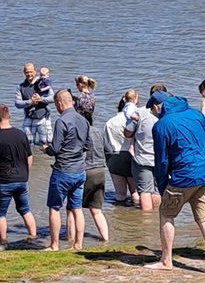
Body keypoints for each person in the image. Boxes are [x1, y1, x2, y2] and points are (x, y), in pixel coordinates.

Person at [147, 92, 205, 274]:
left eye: (152, 109)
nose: (153, 113)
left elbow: (162, 161)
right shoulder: (196, 114)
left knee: (166, 213)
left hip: (184, 176)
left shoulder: (161, 125)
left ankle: (166, 260)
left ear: (158, 107)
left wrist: (163, 185)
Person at [46, 87, 90, 250]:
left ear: (59, 103)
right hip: (79, 170)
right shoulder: (83, 120)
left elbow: (56, 148)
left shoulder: (61, 121)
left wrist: (46, 149)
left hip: (63, 169)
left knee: (54, 208)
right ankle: (78, 244)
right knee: (77, 208)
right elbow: (87, 145)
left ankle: (54, 245)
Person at [0, 103, 37, 244]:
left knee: (1, 213)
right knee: (25, 210)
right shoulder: (21, 134)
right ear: (9, 115)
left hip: (4, 181)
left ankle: (3, 241)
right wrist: (25, 172)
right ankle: (33, 236)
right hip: (22, 179)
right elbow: (29, 157)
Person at [80, 92, 111, 244]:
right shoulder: (98, 131)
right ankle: (105, 238)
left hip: (87, 171)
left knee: (75, 208)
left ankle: (74, 241)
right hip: (100, 170)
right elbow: (108, 150)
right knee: (96, 209)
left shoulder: (81, 132)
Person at [126, 90, 161, 214]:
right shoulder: (168, 115)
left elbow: (127, 133)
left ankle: (146, 220)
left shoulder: (140, 113)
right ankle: (156, 216)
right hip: (160, 159)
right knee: (157, 190)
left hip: (143, 158)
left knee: (145, 191)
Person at [104, 92, 139, 205]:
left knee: (120, 194)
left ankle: (119, 217)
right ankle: (142, 218)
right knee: (135, 192)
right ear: (136, 100)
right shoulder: (133, 120)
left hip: (114, 156)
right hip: (130, 156)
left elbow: (106, 143)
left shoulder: (110, 121)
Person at [18, 64, 54, 149]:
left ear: (35, 72)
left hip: (43, 117)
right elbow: (17, 103)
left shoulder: (43, 83)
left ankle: (44, 162)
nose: (29, 74)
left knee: (46, 143)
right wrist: (30, 102)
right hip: (29, 117)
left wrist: (40, 99)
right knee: (27, 144)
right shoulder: (20, 87)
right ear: (24, 73)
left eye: (31, 72)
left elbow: (53, 98)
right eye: (27, 72)